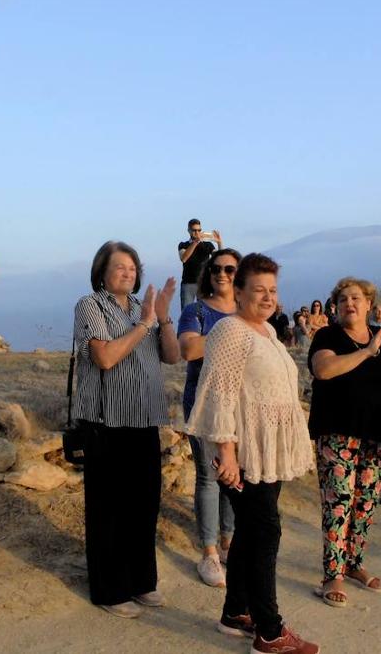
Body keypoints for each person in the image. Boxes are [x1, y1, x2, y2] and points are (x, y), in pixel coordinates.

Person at [187, 253, 318, 653]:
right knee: (265, 532)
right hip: (242, 454)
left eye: (273, 290)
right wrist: (225, 452)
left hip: (266, 453)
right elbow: (220, 393)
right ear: (238, 291)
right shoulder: (231, 330)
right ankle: (270, 631)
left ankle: (235, 612)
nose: (267, 297)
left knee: (249, 531)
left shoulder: (267, 332)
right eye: (258, 290)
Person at [72, 242, 180, 618]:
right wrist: (145, 325)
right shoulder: (90, 305)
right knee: (108, 510)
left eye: (133, 268)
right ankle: (109, 588)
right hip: (106, 422)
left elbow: (172, 355)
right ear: (102, 272)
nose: (128, 273)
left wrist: (163, 317)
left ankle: (141, 581)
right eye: (119, 267)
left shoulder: (141, 308)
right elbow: (104, 357)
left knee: (143, 506)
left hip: (144, 419)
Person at [308, 277, 381, 608]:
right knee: (338, 503)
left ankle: (354, 565)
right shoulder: (328, 336)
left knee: (365, 504)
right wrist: (367, 352)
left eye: (356, 298)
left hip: (376, 435)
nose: (349, 303)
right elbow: (323, 370)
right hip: (337, 432)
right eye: (342, 299)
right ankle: (332, 575)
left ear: (369, 304)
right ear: (335, 307)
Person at [177, 248, 242, 588]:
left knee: (234, 475)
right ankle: (209, 552)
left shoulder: (248, 313)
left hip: (240, 407)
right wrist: (232, 333)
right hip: (203, 405)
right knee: (208, 476)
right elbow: (189, 350)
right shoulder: (196, 310)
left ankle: (230, 542)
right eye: (216, 268)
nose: (222, 274)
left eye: (230, 269)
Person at [178, 219, 222, 309]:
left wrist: (219, 243)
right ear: (189, 231)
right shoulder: (183, 245)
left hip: (204, 283)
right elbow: (184, 258)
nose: (197, 232)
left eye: (199, 230)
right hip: (188, 283)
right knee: (187, 313)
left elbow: (219, 259)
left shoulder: (208, 245)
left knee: (205, 314)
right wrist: (196, 242)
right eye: (194, 230)